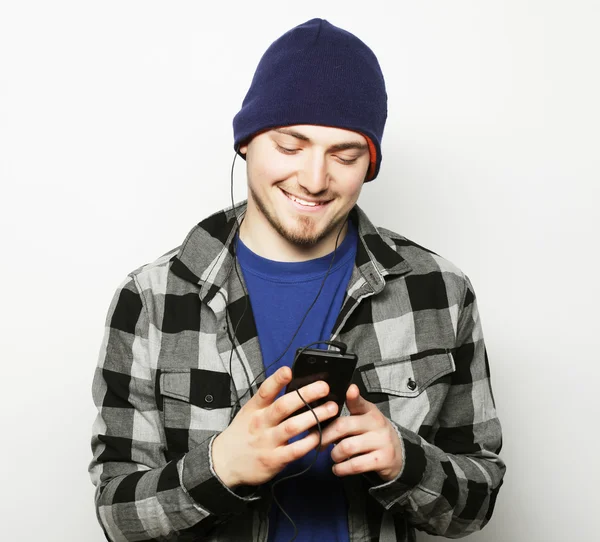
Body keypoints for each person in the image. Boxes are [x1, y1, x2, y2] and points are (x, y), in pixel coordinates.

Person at [89, 18, 505, 542]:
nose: (313, 179)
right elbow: (117, 515)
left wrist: (406, 462)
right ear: (246, 143)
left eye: (345, 155)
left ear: (370, 163)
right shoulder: (151, 299)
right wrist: (220, 469)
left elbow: (479, 499)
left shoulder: (439, 291)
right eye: (290, 147)